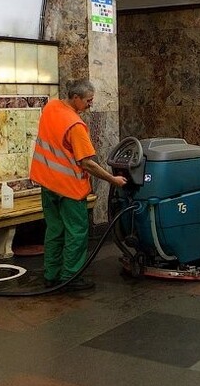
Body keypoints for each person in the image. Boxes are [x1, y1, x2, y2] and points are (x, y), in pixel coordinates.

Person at [30, 78, 127, 290]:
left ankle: (51, 275)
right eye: (88, 100)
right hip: (69, 189)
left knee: (54, 230)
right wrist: (113, 180)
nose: (90, 104)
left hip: (47, 183)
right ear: (75, 98)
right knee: (76, 232)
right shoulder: (75, 126)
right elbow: (87, 164)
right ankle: (70, 277)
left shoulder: (51, 107)